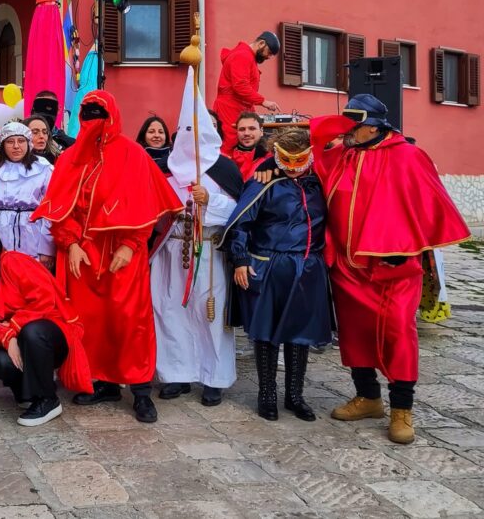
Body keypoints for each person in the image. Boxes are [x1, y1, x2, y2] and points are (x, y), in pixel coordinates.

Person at [302, 94, 469, 444]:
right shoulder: (345, 154)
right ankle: (368, 398)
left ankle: (402, 410)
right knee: (354, 332)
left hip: (393, 269)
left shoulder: (408, 155)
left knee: (398, 333)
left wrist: (407, 245)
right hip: (348, 267)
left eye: (355, 126)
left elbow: (428, 206)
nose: (349, 131)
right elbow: (309, 157)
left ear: (375, 127)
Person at [32, 91, 183, 423]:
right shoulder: (70, 157)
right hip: (82, 255)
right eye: (88, 113)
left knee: (130, 321)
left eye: (100, 112)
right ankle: (103, 382)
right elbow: (59, 208)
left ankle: (141, 390)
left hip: (122, 254)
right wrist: (70, 243)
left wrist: (131, 244)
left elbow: (147, 205)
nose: (94, 119)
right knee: (90, 322)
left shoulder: (133, 155)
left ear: (113, 115)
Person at [220, 128, 331, 422]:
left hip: (308, 268)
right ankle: (266, 393)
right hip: (270, 266)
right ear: (276, 156)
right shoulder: (264, 184)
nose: (293, 167)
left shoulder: (320, 184)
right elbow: (241, 223)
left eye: (300, 159)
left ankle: (295, 395)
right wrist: (241, 259)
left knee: (300, 333)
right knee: (267, 331)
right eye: (286, 159)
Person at [149, 100, 243, 407]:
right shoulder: (167, 167)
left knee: (209, 313)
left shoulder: (225, 168)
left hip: (209, 251)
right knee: (169, 310)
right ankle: (177, 373)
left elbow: (240, 212)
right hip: (171, 249)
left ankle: (213, 377)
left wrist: (209, 201)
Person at [0, 226, 92, 426]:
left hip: (50, 331)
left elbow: (44, 299)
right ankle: (27, 394)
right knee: (0, 360)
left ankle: (48, 399)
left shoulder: (13, 261)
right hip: (18, 338)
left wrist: (14, 326)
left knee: (32, 331)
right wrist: (8, 338)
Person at [0, 121, 55, 269]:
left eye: (21, 141)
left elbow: (51, 209)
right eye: (10, 141)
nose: (16, 146)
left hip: (33, 235)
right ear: (3, 145)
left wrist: (47, 248)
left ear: (28, 142)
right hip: (0, 232)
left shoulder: (44, 168)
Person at [212, 31, 280, 152]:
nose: (268, 57)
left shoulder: (245, 56)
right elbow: (240, 85)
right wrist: (263, 101)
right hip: (230, 109)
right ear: (261, 43)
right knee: (231, 146)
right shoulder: (243, 56)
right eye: (269, 53)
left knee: (242, 146)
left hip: (238, 108)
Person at [229, 111, 268, 179]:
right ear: (237, 132)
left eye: (252, 128)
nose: (246, 133)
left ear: (261, 131)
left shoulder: (272, 158)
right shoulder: (228, 157)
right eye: (242, 129)